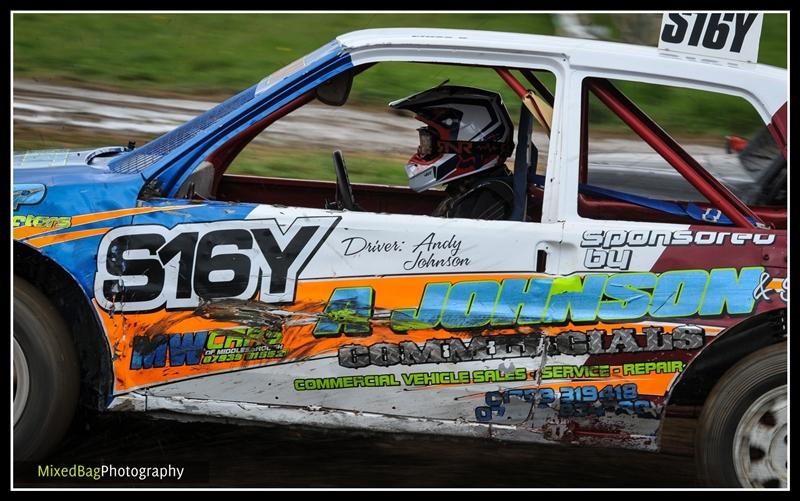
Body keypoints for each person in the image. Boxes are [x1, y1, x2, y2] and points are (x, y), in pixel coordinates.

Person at [389, 85, 516, 220]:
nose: (423, 151)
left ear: (464, 146)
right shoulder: (468, 189)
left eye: (429, 144)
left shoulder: (487, 198)